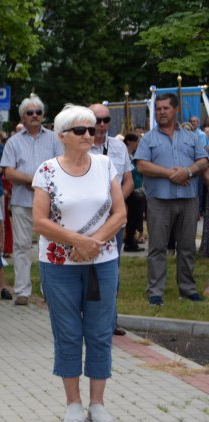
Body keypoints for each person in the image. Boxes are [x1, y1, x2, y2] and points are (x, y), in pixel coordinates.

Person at [32, 105, 126, 422]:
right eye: (81, 130)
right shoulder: (46, 170)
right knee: (69, 332)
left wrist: (92, 243)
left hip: (102, 261)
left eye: (92, 129)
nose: (90, 134)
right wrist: (76, 242)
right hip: (59, 264)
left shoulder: (104, 164)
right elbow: (39, 221)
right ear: (62, 136)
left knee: (100, 332)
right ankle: (73, 403)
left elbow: (120, 214)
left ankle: (97, 404)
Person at [134, 93, 208, 306]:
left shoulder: (192, 137)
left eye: (166, 108)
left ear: (176, 110)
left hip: (188, 199)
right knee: (157, 247)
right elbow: (142, 165)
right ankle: (155, 291)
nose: (161, 112)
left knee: (187, 247)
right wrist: (170, 174)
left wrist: (188, 171)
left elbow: (203, 160)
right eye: (158, 109)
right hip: (159, 200)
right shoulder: (148, 138)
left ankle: (187, 289)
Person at [0, 95, 63, 305]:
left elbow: (62, 167)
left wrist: (38, 183)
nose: (35, 116)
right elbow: (8, 172)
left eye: (38, 112)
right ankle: (22, 291)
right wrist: (32, 180)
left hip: (51, 202)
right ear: (23, 117)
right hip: (22, 201)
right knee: (21, 245)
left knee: (52, 244)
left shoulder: (55, 138)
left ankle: (49, 291)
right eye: (30, 113)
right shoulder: (13, 142)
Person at [89, 103, 134, 336]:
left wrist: (115, 204)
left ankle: (110, 320)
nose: (103, 125)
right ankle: (85, 318)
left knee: (111, 269)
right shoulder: (80, 147)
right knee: (85, 269)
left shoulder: (118, 147)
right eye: (98, 120)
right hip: (86, 220)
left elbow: (129, 180)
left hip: (112, 219)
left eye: (106, 120)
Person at [123, 133, 146, 252]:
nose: (137, 144)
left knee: (136, 217)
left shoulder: (132, 155)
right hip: (130, 190)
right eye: (136, 141)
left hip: (137, 188)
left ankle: (131, 240)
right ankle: (129, 242)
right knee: (133, 217)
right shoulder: (125, 154)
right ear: (129, 142)